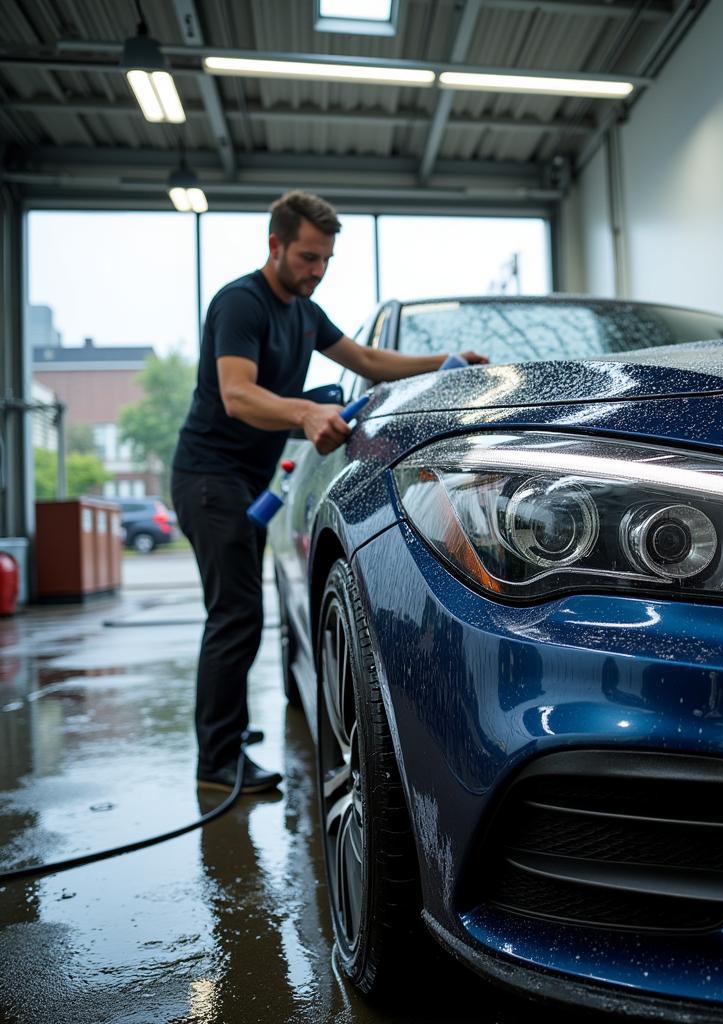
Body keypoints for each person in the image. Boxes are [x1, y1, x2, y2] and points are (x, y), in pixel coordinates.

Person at [171, 190, 487, 793]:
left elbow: (366, 358)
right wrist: (306, 414)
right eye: (308, 258)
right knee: (235, 614)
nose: (317, 271)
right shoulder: (241, 303)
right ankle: (216, 762)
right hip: (208, 478)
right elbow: (236, 393)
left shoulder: (304, 312)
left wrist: (445, 362)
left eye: (326, 261)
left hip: (242, 479)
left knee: (241, 611)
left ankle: (226, 735)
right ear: (276, 246)